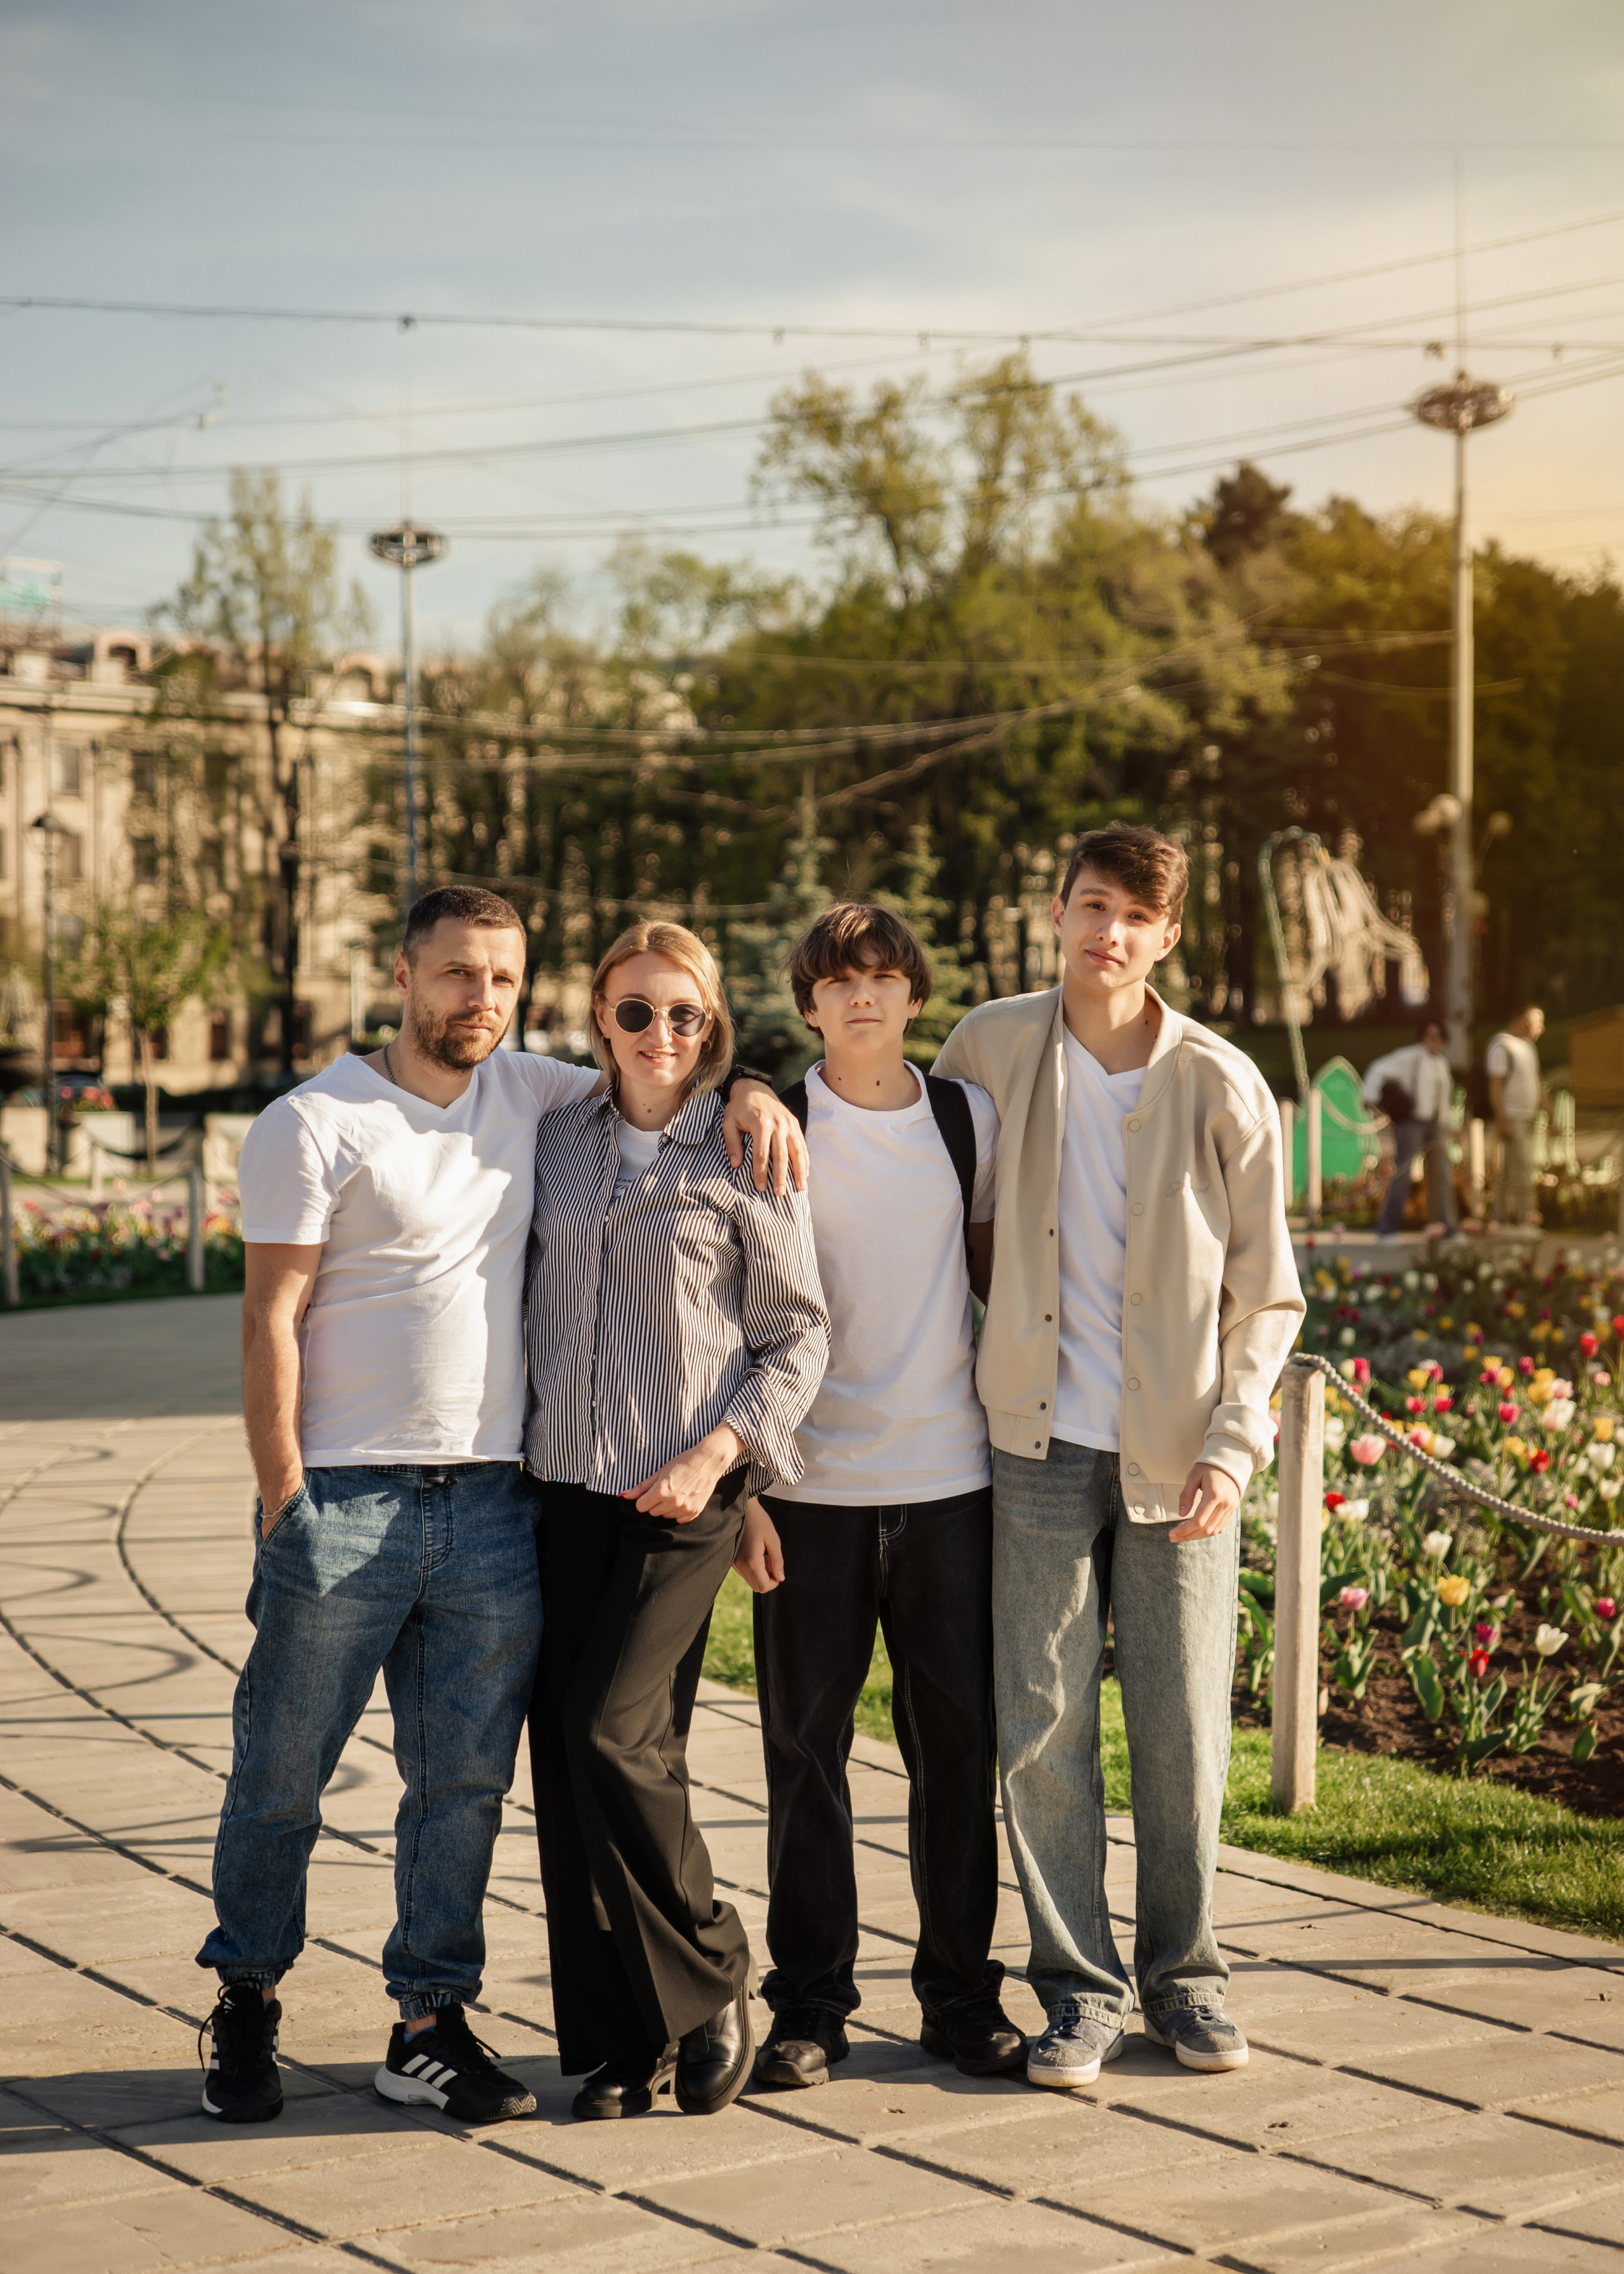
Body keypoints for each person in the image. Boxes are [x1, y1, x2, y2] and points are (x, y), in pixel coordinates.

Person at [196, 884, 804, 2126]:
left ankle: (428, 2023)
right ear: (403, 974)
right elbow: (268, 1317)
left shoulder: (534, 1091)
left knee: (463, 1786)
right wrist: (283, 1494)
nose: (481, 998)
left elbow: (674, 1062)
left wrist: (755, 1083)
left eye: (503, 979)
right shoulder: (315, 1119)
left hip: (492, 1502)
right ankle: (245, 1999)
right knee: (281, 1775)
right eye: (457, 973)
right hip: (346, 1498)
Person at [933, 822, 1303, 2089]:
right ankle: (1078, 1991)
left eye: (1136, 915)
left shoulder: (1221, 1080)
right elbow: (919, 1181)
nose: (1110, 931)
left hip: (1179, 1452)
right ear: (1057, 911)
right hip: (1033, 1443)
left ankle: (1186, 1981)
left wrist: (1234, 1443)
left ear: (1167, 937)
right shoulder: (986, 1045)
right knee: (1040, 1726)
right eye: (1093, 904)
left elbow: (1267, 1291)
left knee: (1182, 1727)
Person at [523, 921, 828, 2123]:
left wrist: (724, 1462)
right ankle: (621, 2041)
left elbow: (798, 1333)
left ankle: (710, 1968)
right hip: (561, 1487)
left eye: (686, 1014)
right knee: (574, 1765)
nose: (661, 1033)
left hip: (684, 1494)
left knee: (612, 1731)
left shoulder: (748, 1146)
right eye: (637, 1010)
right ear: (601, 1016)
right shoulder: (554, 1136)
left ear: (715, 1028)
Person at [737, 902, 1025, 2095]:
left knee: (957, 1752)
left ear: (914, 995)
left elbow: (998, 1278)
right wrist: (748, 1484)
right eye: (839, 980)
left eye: (884, 976)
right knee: (805, 1754)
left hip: (952, 1483)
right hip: (812, 1488)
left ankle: (961, 1995)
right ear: (810, 1003)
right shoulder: (771, 1121)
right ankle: (810, 2005)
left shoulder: (967, 1119)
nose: (863, 995)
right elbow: (725, 1309)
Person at [1363, 1018, 1460, 1240]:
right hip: (1412, 1123)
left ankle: (1447, 1226)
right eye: (1429, 1036)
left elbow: (1443, 1101)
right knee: (1403, 1174)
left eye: (1439, 1037)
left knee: (1442, 1175)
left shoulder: (1442, 1064)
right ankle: (1388, 1228)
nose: (1434, 1041)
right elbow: (1379, 1069)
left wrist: (1451, 1125)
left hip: (1435, 1124)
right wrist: (1370, 1098)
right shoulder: (1411, 1056)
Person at [1487, 1003, 1547, 1228]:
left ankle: (1499, 1217)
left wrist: (1550, 1113)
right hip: (1511, 1116)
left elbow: (1537, 1081)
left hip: (1527, 1116)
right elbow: (1495, 1085)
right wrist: (1502, 1120)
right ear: (1523, 1022)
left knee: (1510, 1169)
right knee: (1523, 1166)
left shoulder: (1528, 1046)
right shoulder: (1502, 1046)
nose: (1542, 1028)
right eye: (1538, 1023)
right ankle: (1527, 1218)